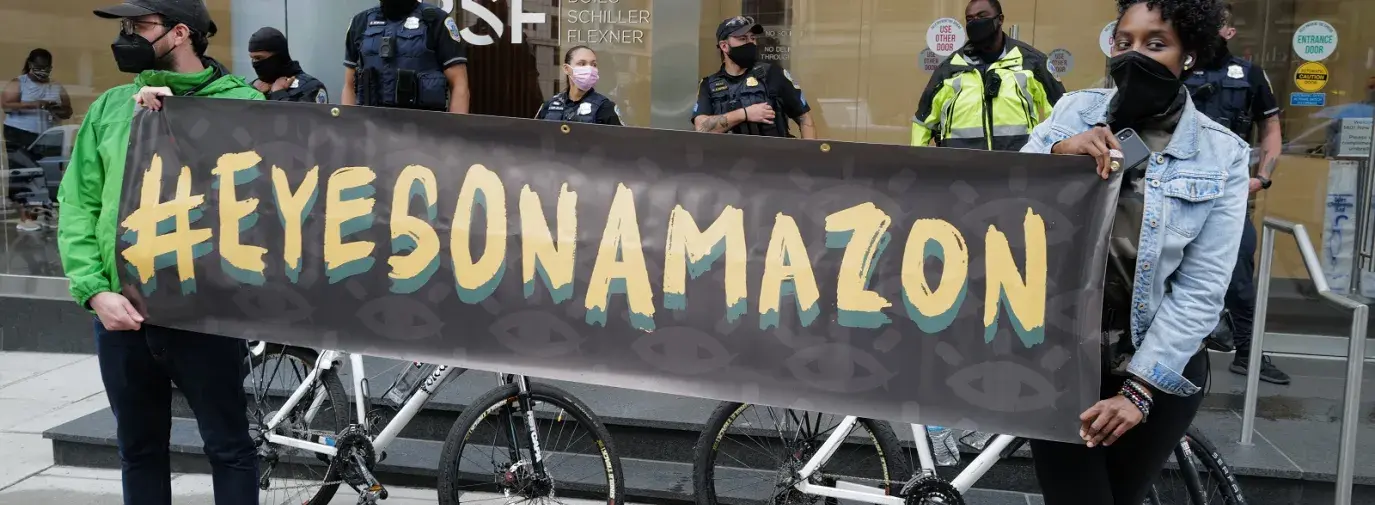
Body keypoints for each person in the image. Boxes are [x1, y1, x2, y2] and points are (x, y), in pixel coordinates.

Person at [1019, 0, 1248, 503]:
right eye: (1124, 42)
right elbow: (1005, 204)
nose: (1134, 55)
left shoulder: (1222, 154)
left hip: (1157, 370)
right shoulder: (1072, 112)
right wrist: (1059, 155)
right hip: (1060, 363)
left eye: (1155, 43)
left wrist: (1140, 390)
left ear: (1188, 54)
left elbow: (1203, 288)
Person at [56, 1, 264, 504]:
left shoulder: (242, 103)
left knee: (230, 448)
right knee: (139, 450)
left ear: (179, 33)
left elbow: (272, 196)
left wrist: (186, 122)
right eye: (126, 26)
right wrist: (94, 292)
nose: (127, 35)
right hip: (122, 316)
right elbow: (78, 203)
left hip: (207, 315)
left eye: (140, 26)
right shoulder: (111, 108)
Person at [1183, 2, 1288, 385]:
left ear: (1229, 31)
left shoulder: (1249, 74)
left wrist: (1262, 177)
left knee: (1240, 275)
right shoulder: (1176, 66)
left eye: (1219, 24)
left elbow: (1271, 126)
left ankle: (1248, 352)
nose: (1211, 29)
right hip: (1176, 194)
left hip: (1228, 197)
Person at [911, 0, 1063, 150]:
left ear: (1000, 19)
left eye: (982, 16)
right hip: (960, 168)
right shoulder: (949, 69)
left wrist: (1054, 155)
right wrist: (916, 163)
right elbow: (922, 122)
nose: (975, 22)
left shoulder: (1032, 62)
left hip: (1017, 167)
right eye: (970, 19)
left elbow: (1062, 114)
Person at [691, 16, 815, 139]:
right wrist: (744, 114)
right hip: (728, 157)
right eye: (743, 38)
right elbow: (701, 127)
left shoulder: (773, 74)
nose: (750, 43)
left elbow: (805, 119)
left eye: (753, 38)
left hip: (773, 156)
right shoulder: (708, 85)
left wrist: (809, 156)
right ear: (724, 46)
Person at [341, 0, 470, 113]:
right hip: (371, 128)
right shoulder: (360, 22)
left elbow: (459, 84)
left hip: (426, 130)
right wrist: (349, 130)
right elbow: (349, 86)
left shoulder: (435, 20)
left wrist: (454, 136)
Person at [3, 49, 72, 232]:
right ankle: (26, 218)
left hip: (49, 135)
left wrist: (55, 109)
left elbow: (68, 110)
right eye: (38, 67)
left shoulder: (56, 86)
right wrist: (36, 104)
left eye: (46, 67)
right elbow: (6, 105)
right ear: (30, 65)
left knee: (49, 174)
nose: (42, 71)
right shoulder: (19, 83)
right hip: (20, 133)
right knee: (26, 174)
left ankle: (46, 214)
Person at [535, 46, 623, 125]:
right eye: (582, 63)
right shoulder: (550, 105)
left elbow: (621, 141)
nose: (589, 69)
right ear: (566, 69)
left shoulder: (605, 107)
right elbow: (534, 137)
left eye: (594, 64)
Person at [247, 26, 328, 103]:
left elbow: (301, 117)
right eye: (253, 58)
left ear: (278, 57)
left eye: (259, 58)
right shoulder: (255, 87)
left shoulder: (311, 87)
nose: (255, 63)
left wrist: (278, 93)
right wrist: (254, 92)